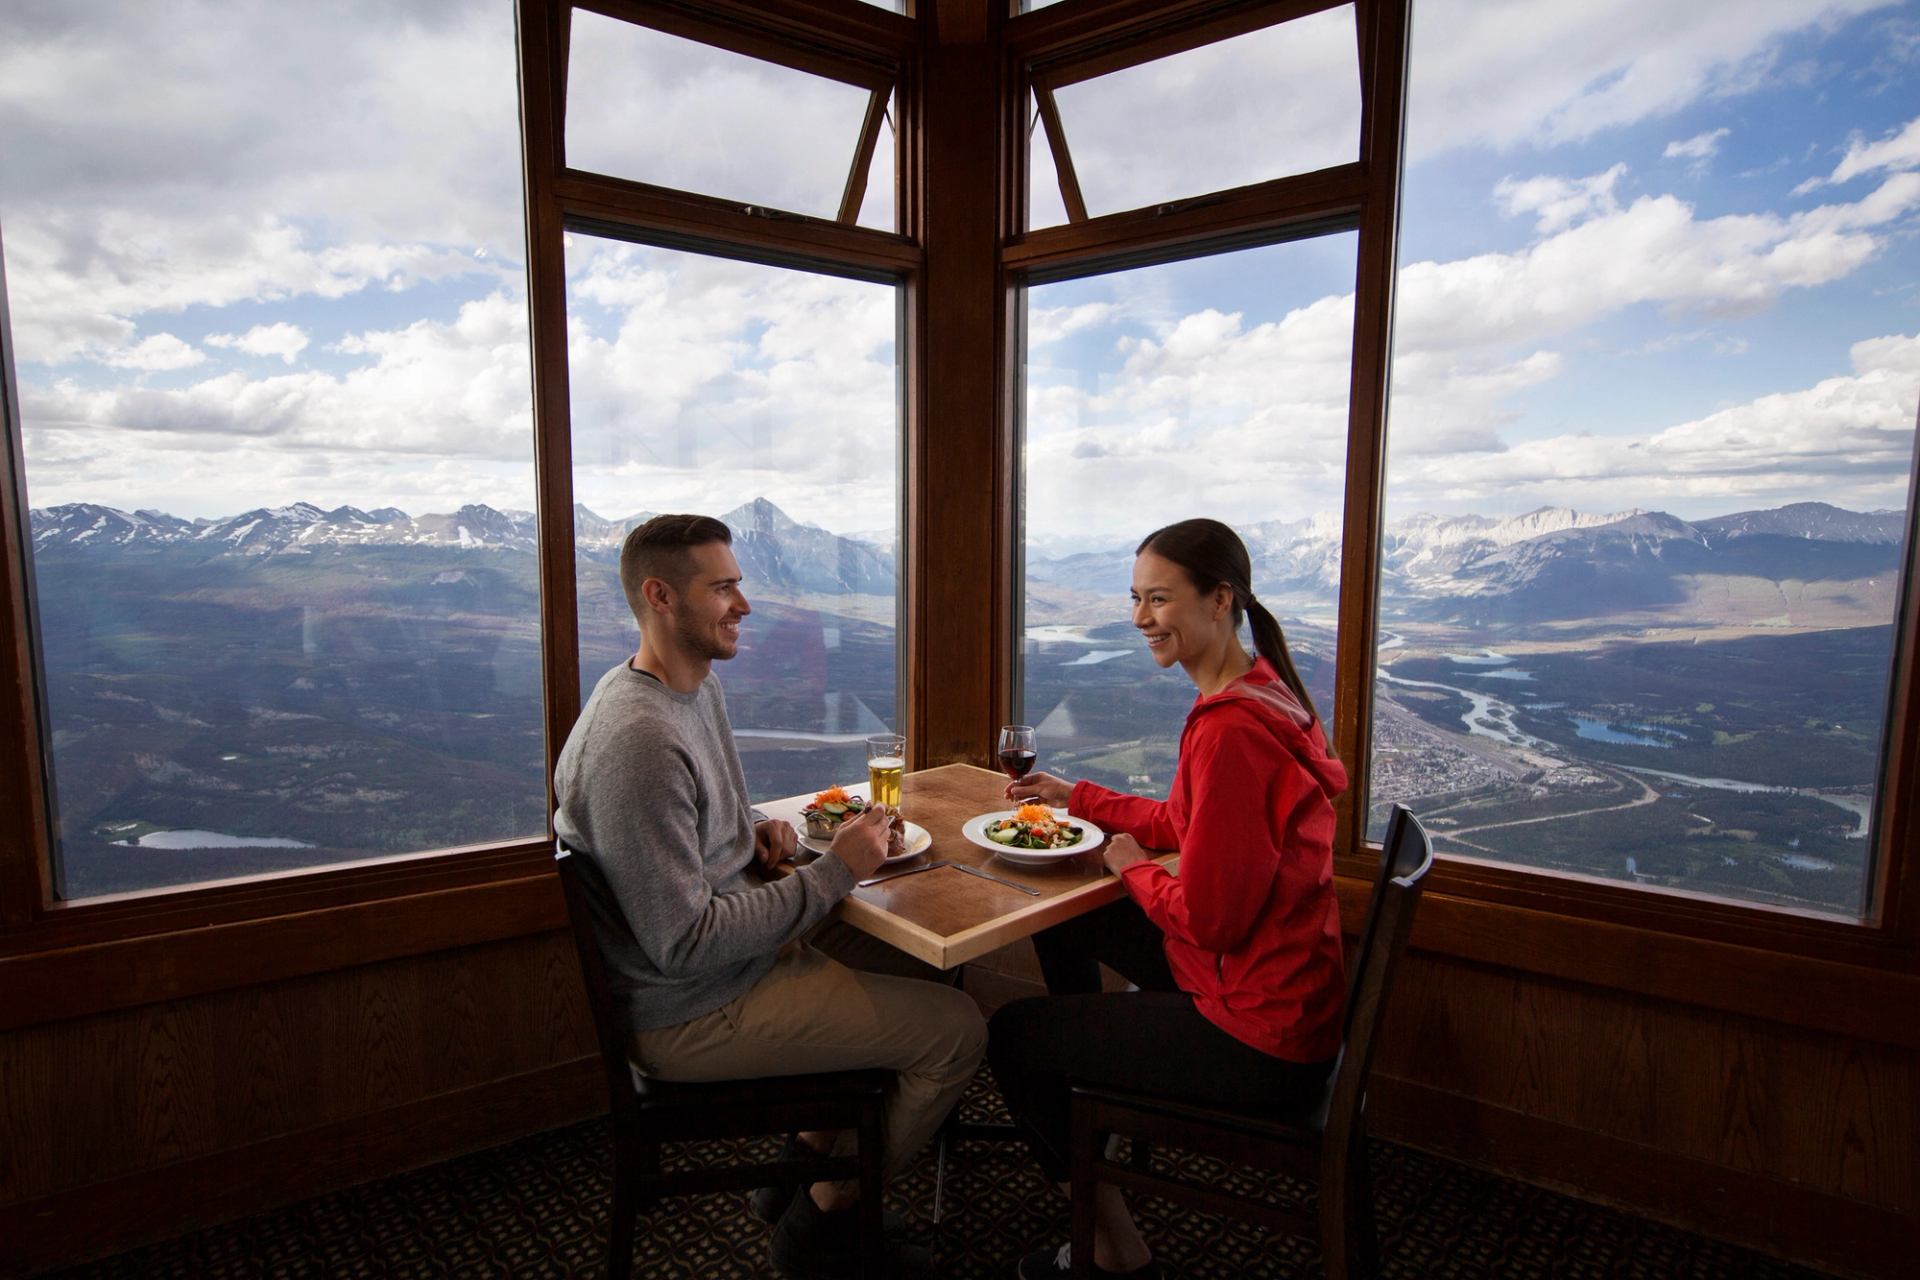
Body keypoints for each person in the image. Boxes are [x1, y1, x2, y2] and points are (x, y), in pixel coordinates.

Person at [553, 513, 985, 1280]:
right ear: (660, 596)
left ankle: (793, 1165)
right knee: (956, 1032)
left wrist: (753, 832)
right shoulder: (637, 740)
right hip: (693, 1007)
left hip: (738, 965)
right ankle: (821, 1217)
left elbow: (686, 835)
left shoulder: (688, 692)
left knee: (930, 968)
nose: (744, 605)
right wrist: (834, 871)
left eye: (739, 585)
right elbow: (682, 940)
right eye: (722, 588)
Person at [987, 518, 1349, 1280]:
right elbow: (1183, 825)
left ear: (1221, 600)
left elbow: (1214, 920)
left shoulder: (1230, 734)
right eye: (1135, 598)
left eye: (1159, 598)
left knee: (1014, 1039)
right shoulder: (1263, 694)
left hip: (1257, 1032)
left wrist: (1131, 868)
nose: (1140, 617)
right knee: (1065, 924)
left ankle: (1116, 1249)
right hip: (1284, 989)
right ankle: (1089, 1084)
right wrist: (1076, 796)